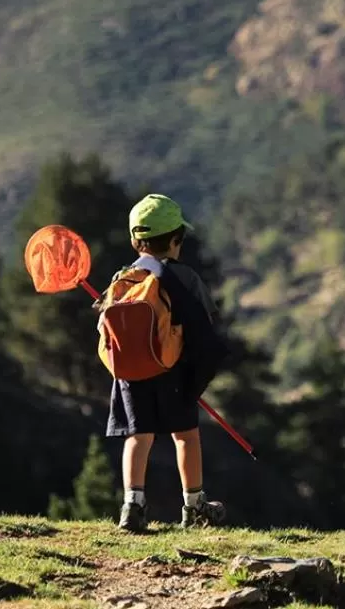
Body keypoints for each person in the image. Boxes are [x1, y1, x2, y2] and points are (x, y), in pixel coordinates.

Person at [104, 193, 229, 532]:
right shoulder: (185, 279)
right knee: (185, 437)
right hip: (173, 372)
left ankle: (132, 506)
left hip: (131, 375)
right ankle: (194, 507)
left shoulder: (121, 279)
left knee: (137, 437)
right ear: (177, 240)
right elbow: (205, 329)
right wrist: (197, 377)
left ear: (134, 241)